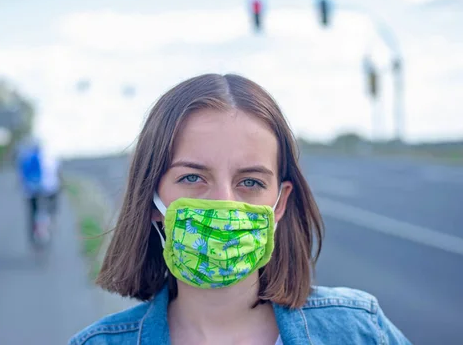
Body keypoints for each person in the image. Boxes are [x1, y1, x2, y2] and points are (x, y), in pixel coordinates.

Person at [69, 74, 411, 344]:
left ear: (280, 205)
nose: (223, 202)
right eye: (192, 177)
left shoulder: (359, 332)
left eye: (250, 182)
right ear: (152, 200)